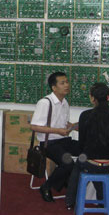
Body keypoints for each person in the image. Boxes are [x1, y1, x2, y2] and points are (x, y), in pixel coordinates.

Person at [65, 83, 109, 210]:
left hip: (90, 162)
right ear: (108, 97)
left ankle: (70, 201)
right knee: (96, 167)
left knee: (80, 165)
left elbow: (81, 144)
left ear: (92, 98)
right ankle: (103, 199)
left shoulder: (85, 115)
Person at [30, 72, 79, 203]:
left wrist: (73, 126)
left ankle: (67, 180)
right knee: (68, 162)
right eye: (62, 83)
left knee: (86, 150)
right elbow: (34, 126)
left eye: (67, 82)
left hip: (64, 140)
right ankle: (46, 186)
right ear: (54, 87)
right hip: (49, 143)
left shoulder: (65, 102)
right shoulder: (45, 103)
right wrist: (57, 131)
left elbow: (63, 123)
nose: (66, 85)